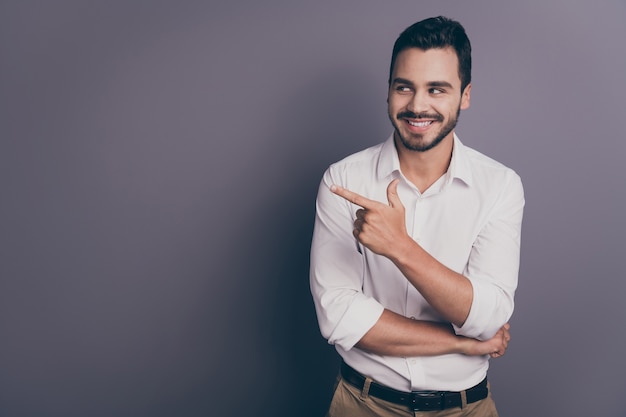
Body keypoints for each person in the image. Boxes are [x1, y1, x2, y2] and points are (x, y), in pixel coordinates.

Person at [309, 16, 525, 416]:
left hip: (466, 409)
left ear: (465, 95)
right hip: (362, 404)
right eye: (403, 87)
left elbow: (488, 315)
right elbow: (338, 316)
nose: (417, 105)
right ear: (389, 92)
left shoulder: (500, 186)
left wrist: (400, 247)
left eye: (437, 89)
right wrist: (460, 342)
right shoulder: (343, 180)